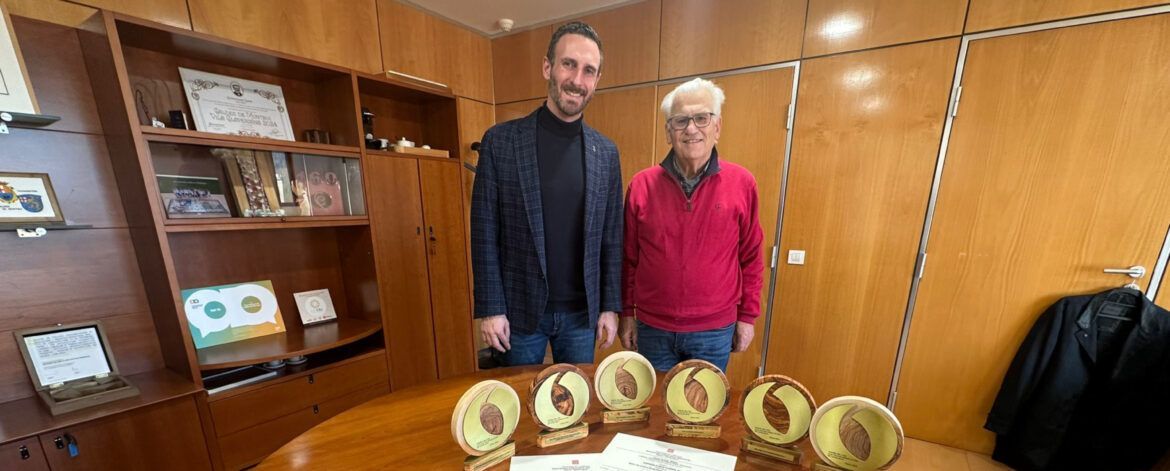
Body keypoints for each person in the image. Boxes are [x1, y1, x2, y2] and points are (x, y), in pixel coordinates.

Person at [471, 21, 623, 366]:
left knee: (576, 409)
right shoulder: (501, 142)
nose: (577, 80)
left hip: (582, 317)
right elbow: (484, 232)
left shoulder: (606, 152)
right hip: (520, 313)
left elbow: (612, 239)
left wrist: (610, 306)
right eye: (568, 64)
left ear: (596, 81)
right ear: (547, 67)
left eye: (589, 71)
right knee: (520, 411)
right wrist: (491, 308)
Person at [619, 78, 764, 372]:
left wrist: (747, 317)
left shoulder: (743, 183)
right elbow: (628, 259)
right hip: (653, 328)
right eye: (681, 120)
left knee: (703, 412)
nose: (691, 128)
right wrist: (627, 314)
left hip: (714, 331)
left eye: (701, 118)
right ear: (668, 132)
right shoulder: (641, 186)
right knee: (656, 412)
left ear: (717, 127)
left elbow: (751, 256)